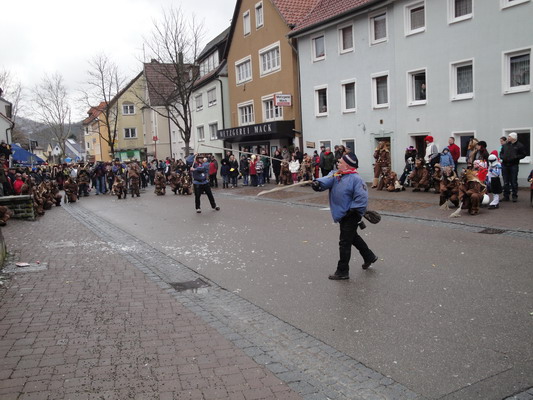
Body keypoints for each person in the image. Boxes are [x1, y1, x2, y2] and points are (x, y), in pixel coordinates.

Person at [312, 153, 378, 280]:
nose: (338, 163)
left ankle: (342, 271)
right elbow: (326, 180)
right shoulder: (337, 175)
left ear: (347, 165)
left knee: (344, 242)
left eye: (341, 162)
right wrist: (317, 184)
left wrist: (353, 211)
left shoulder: (356, 179)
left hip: (351, 214)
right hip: (343, 213)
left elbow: (362, 198)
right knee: (353, 237)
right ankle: (369, 256)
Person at [500, 132, 527, 202]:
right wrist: (502, 157)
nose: (508, 138)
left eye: (509, 136)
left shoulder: (519, 145)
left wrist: (516, 157)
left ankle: (514, 196)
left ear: (513, 138)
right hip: (505, 165)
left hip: (513, 165)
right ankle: (506, 196)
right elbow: (501, 153)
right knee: (505, 181)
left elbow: (523, 154)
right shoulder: (505, 145)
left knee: (513, 181)